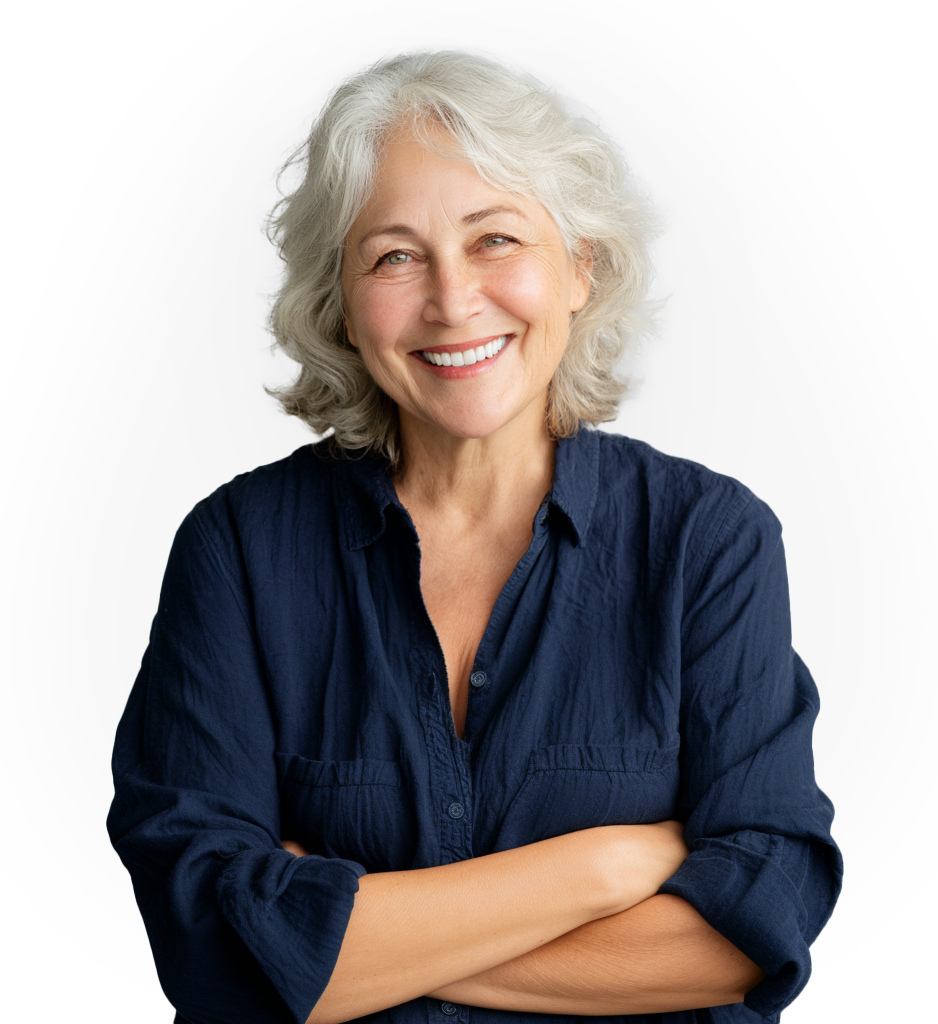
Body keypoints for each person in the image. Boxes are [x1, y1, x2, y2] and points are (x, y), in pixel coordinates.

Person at [106, 43, 843, 1024]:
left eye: (495, 240)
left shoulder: (707, 539)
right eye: (394, 255)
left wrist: (329, 944)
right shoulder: (236, 548)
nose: (451, 300)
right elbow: (202, 933)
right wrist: (602, 865)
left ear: (579, 268)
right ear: (342, 300)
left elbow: (755, 926)